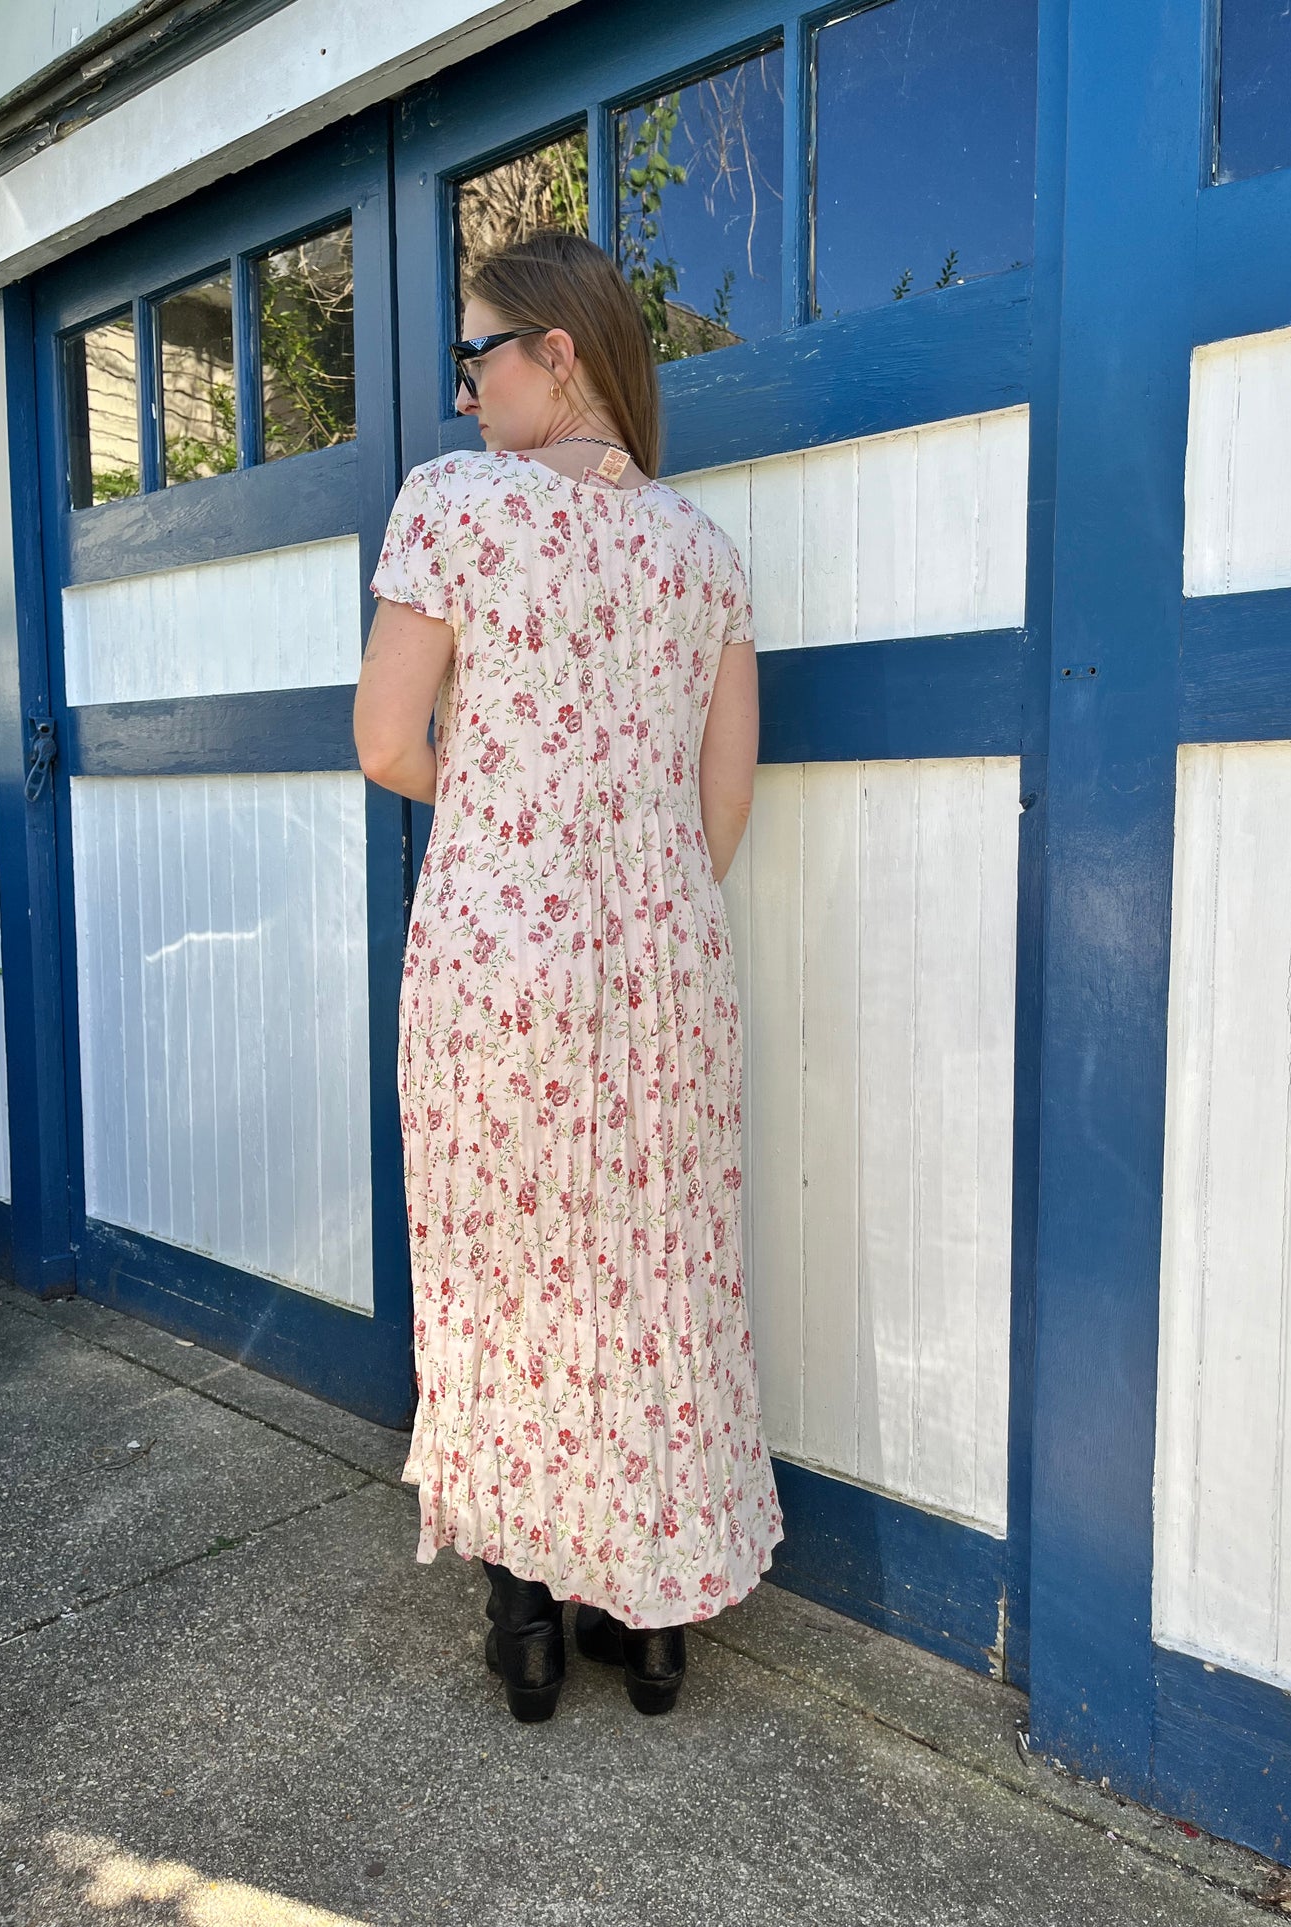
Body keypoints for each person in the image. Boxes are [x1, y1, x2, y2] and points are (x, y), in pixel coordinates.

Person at [354, 229, 784, 1723]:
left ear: (559, 352)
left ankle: (526, 1616)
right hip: (664, 953)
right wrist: (629, 876)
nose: (463, 395)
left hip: (498, 955)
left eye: (477, 355)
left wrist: (511, 822)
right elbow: (721, 797)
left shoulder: (454, 508)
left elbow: (387, 741)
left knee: (507, 1270)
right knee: (652, 1271)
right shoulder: (703, 551)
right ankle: (648, 1624)